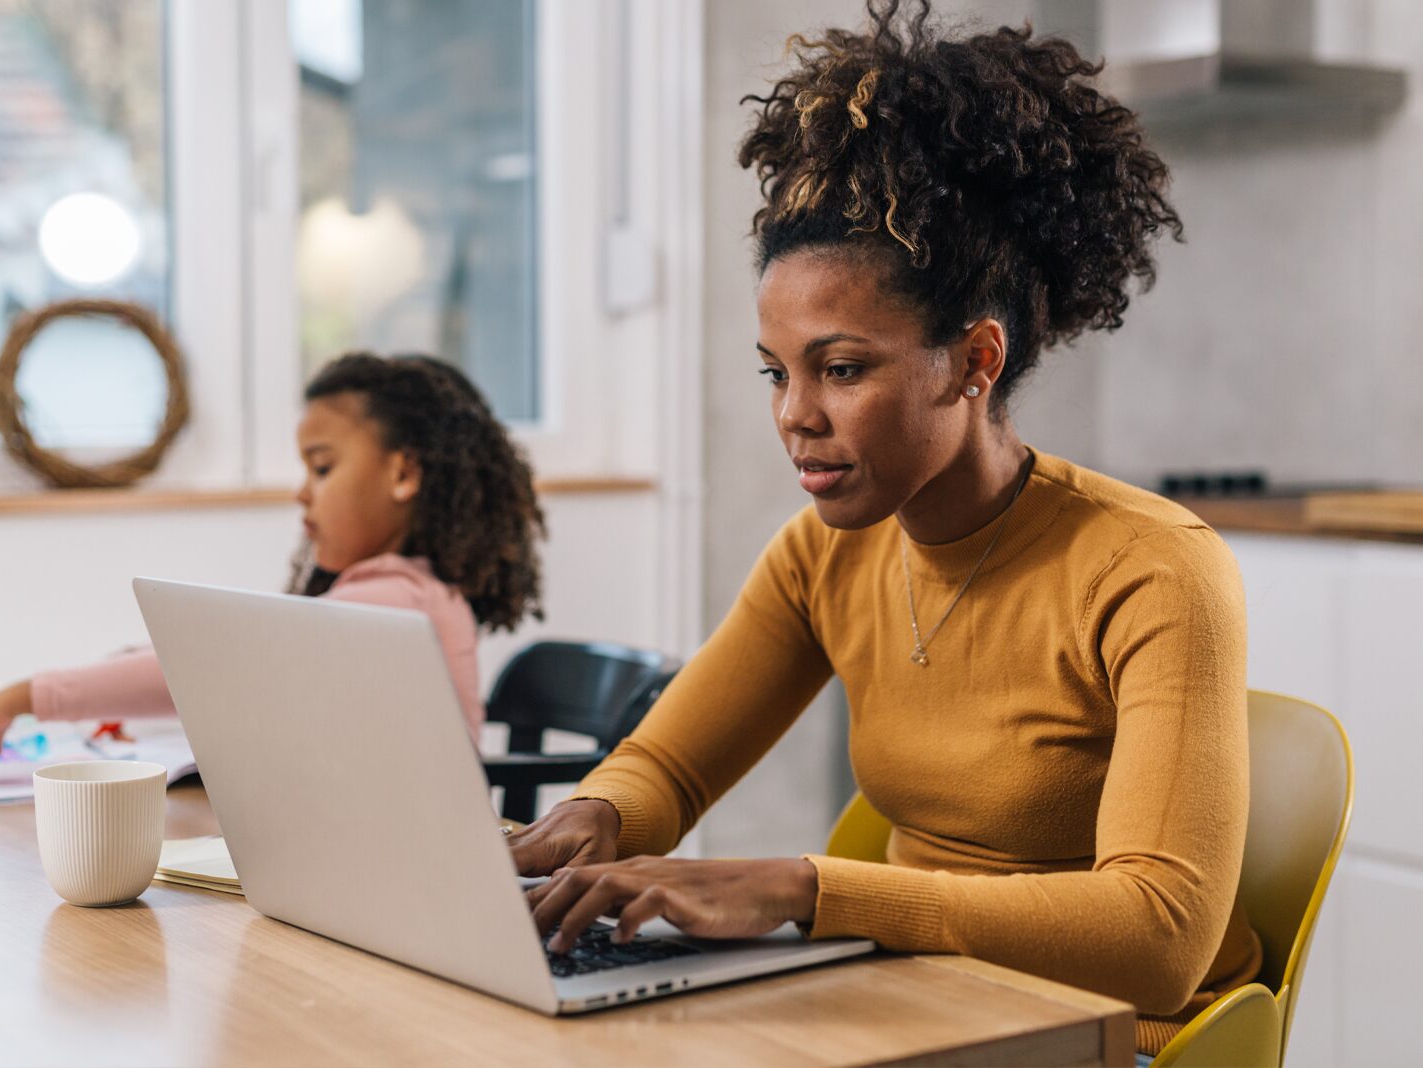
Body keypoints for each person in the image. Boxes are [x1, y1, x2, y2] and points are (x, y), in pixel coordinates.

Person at [511, 2, 1258, 1057]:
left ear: (973, 360)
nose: (793, 414)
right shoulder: (825, 551)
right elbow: (669, 770)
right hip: (913, 1004)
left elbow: (1158, 936)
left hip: (1111, 1035)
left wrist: (801, 888)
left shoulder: (1150, 570)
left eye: (842, 368)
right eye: (777, 372)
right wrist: (589, 817)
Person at [0, 352, 545, 771]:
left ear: (404, 472)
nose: (304, 491)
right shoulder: (386, 597)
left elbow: (222, 658)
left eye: (322, 467)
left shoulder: (399, 601)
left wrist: (27, 695)